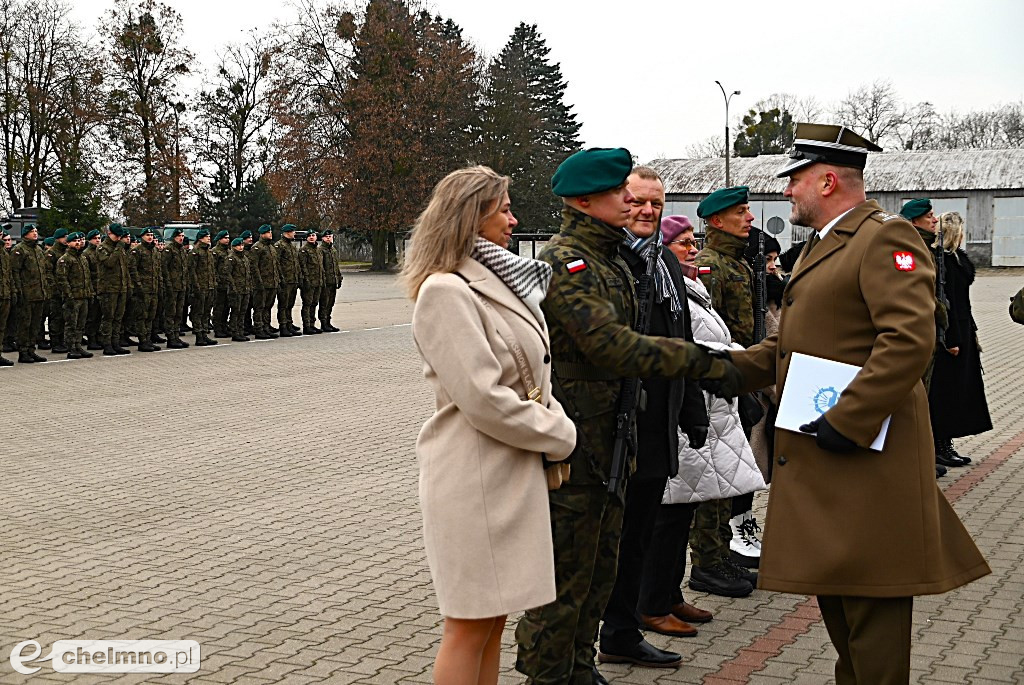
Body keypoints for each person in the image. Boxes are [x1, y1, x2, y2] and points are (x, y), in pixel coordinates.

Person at [730, 122, 990, 684]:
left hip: (867, 456)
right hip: (831, 459)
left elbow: (907, 340)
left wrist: (848, 420)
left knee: (873, 617)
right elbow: (789, 345)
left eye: (794, 179)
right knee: (844, 613)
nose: (786, 191)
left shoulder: (884, 239)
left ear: (826, 181)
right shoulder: (824, 247)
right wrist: (714, 365)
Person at [514, 148, 742, 685]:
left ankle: (579, 664)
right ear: (586, 200)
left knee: (599, 569)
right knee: (567, 573)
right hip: (576, 445)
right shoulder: (566, 260)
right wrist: (711, 365)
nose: (631, 201)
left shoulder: (614, 257)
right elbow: (612, 346)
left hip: (615, 438)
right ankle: (548, 674)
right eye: (621, 192)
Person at [403, 165, 577, 685]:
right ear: (470, 217)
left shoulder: (498, 280)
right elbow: (483, 398)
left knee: (493, 620)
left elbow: (535, 376)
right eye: (503, 208)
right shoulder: (446, 291)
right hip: (474, 475)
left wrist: (554, 418)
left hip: (506, 471)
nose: (513, 217)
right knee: (467, 624)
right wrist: (561, 434)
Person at [597, 169, 708, 667]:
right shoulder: (609, 260)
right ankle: (597, 636)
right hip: (617, 426)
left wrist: (692, 410)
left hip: (658, 422)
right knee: (609, 543)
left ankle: (623, 631)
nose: (647, 211)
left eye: (655, 204)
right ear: (621, 202)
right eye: (638, 202)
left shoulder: (662, 260)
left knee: (640, 532)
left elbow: (680, 339)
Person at [639, 216, 768, 623]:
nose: (692, 249)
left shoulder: (689, 288)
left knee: (685, 511)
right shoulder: (664, 288)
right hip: (690, 406)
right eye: (681, 244)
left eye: (692, 241)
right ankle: (653, 603)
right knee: (670, 514)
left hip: (710, 406)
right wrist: (737, 362)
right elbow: (692, 346)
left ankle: (669, 594)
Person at [691, 186, 762, 581]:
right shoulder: (710, 265)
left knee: (733, 473)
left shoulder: (739, 263)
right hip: (720, 383)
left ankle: (723, 550)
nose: (749, 218)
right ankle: (708, 557)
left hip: (741, 378)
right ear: (717, 221)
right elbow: (708, 330)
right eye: (741, 212)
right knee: (715, 474)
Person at [928, 212, 991, 464]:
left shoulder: (956, 259)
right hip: (948, 333)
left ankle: (946, 443)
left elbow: (963, 301)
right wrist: (950, 338)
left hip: (964, 329)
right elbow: (947, 302)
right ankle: (938, 445)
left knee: (958, 390)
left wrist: (971, 333)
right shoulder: (939, 261)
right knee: (945, 392)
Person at [10, 225, 50, 363]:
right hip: (27, 294)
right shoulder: (19, 250)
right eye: (32, 232)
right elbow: (15, 272)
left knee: (35, 324)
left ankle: (31, 350)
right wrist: (18, 291)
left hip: (39, 293)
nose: (35, 234)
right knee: (25, 324)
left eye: (36, 231)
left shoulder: (38, 250)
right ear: (25, 234)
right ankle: (23, 351)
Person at [55, 232, 94, 359]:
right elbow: (62, 279)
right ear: (68, 243)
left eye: (79, 241)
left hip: (84, 296)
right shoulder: (65, 259)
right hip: (73, 297)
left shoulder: (82, 258)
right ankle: (71, 347)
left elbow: (87, 278)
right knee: (71, 323)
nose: (78, 243)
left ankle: (78, 345)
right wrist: (68, 296)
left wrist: (90, 293)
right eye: (75, 241)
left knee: (80, 324)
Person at [95, 224, 131, 356]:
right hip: (108, 289)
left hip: (120, 288)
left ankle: (116, 342)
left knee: (118, 317)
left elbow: (124, 268)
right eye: (117, 235)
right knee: (108, 318)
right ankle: (107, 344)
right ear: (109, 233)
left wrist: (128, 286)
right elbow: (109, 263)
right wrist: (118, 248)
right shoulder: (102, 248)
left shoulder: (119, 248)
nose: (119, 238)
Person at [131, 227, 163, 352]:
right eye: (147, 235)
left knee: (151, 316)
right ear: (142, 236)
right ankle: (142, 341)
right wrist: (138, 286)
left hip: (153, 288)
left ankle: (148, 339)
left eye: (151, 234)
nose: (150, 237)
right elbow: (133, 270)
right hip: (142, 289)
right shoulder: (137, 251)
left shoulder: (154, 250)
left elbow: (157, 270)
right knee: (142, 316)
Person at [189, 229, 218, 346]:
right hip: (200, 287)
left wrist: (213, 283)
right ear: (200, 239)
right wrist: (196, 286)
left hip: (209, 286)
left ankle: (204, 333)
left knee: (206, 312)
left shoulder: (209, 252)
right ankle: (199, 335)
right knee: (198, 312)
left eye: (209, 236)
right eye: (206, 236)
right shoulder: (195, 252)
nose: (208, 238)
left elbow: (212, 270)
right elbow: (192, 271)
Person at [162, 228, 190, 349]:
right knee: (171, 313)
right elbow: (164, 268)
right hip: (172, 286)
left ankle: (176, 335)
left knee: (179, 313)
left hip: (181, 286)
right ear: (174, 237)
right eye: (179, 236)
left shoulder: (182, 251)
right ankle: (170, 337)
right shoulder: (169, 250)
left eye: (182, 236)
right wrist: (168, 284)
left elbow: (185, 269)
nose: (181, 238)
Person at [250, 224, 280, 339]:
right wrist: (258, 283)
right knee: (259, 307)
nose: (270, 234)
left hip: (272, 283)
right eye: (268, 232)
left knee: (268, 306)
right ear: (262, 234)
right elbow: (254, 267)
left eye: (271, 232)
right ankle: (258, 329)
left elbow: (275, 265)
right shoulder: (257, 247)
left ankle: (266, 327)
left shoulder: (271, 247)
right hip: (262, 284)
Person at [44, 228, 70, 353]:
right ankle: (55, 343)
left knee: (64, 317)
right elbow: (48, 273)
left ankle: (62, 341)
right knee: (56, 317)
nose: (66, 239)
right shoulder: (52, 253)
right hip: (55, 292)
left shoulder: (66, 252)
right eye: (63, 236)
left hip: (65, 291)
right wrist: (54, 289)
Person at [222, 238, 251, 342]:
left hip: (245, 289)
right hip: (236, 290)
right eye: (238, 245)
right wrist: (233, 287)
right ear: (234, 247)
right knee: (236, 311)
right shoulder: (231, 258)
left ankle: (240, 331)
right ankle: (234, 332)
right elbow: (227, 274)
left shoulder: (244, 258)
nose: (241, 247)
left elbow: (248, 274)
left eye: (242, 245)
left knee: (242, 312)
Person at [275, 225, 301, 336]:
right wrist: (281, 278)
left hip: (293, 280)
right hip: (285, 280)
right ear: (287, 232)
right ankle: (283, 326)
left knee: (290, 304)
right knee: (283, 305)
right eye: (293, 232)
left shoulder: (291, 245)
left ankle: (289, 324)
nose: (294, 233)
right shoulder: (279, 245)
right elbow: (277, 264)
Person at [298, 230, 324, 334]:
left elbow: (320, 267)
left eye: (313, 235)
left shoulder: (318, 250)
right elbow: (302, 267)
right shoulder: (304, 250)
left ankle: (312, 324)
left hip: (318, 281)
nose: (312, 237)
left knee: (314, 303)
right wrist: (305, 280)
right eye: (309, 236)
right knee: (307, 304)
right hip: (309, 282)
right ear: (306, 238)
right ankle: (307, 325)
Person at [82, 229, 104, 350]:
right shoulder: (87, 254)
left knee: (99, 316)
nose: (98, 240)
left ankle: (98, 337)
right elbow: (87, 274)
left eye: (99, 238)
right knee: (92, 317)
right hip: (93, 289)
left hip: (102, 289)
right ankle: (91, 339)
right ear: (90, 240)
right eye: (95, 238)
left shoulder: (100, 252)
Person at [318, 230, 343, 332]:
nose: (328, 238)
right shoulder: (321, 250)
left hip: (333, 281)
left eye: (330, 236)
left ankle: (328, 321)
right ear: (323, 238)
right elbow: (320, 267)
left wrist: (339, 277)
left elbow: (336, 266)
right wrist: (323, 280)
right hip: (326, 282)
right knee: (324, 303)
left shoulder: (333, 250)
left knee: (330, 303)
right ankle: (323, 323)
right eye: (326, 237)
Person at [211, 230, 232, 338]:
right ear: (219, 239)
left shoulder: (229, 252)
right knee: (218, 308)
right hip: (219, 285)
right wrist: (217, 281)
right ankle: (217, 328)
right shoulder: (215, 252)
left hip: (227, 284)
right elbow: (213, 269)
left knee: (226, 308)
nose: (227, 240)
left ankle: (224, 326)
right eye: (225, 238)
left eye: (228, 238)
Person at [0, 228, 14, 365]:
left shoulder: (4, 253)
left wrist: (11, 292)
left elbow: (9, 275)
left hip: (4, 294)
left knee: (2, 327)